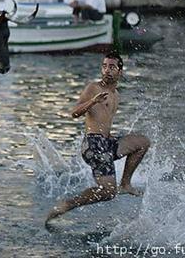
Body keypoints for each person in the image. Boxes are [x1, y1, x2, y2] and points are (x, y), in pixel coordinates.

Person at [46, 52, 151, 225]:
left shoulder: (116, 95)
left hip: (106, 142)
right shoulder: (93, 88)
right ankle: (66, 205)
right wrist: (93, 101)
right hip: (93, 144)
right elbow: (74, 113)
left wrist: (111, 138)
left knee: (142, 143)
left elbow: (105, 122)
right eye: (104, 66)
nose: (107, 70)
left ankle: (125, 183)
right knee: (108, 193)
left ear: (120, 71)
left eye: (111, 67)